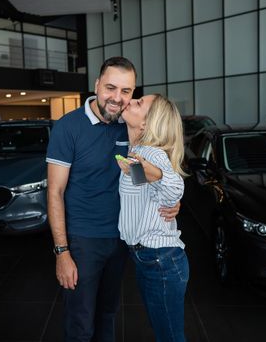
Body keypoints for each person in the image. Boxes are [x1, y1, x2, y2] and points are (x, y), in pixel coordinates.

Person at [46, 57, 180, 342]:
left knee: (107, 316)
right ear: (96, 85)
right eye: (111, 88)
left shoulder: (131, 127)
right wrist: (62, 252)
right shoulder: (68, 127)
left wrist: (171, 197)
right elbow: (55, 192)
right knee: (80, 325)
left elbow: (148, 179)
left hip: (120, 241)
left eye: (127, 91)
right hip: (83, 240)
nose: (118, 99)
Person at [117, 94, 189, 342]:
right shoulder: (136, 151)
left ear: (147, 124)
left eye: (139, 103)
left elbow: (174, 189)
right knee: (164, 333)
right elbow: (152, 195)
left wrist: (158, 175)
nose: (131, 100)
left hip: (161, 260)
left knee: (170, 337)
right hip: (148, 258)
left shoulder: (152, 155)